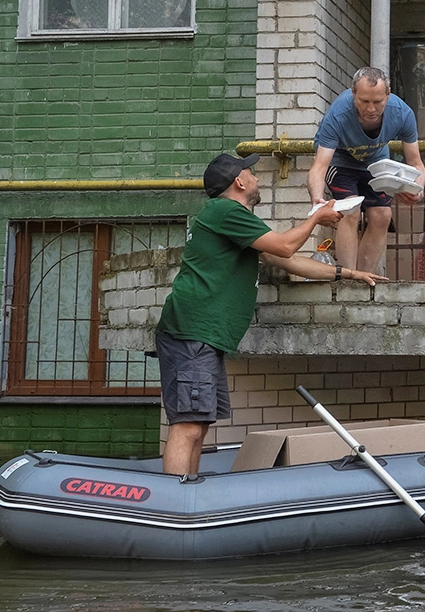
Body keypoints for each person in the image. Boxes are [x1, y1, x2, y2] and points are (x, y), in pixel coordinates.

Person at [156, 153, 388, 477]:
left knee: (199, 424)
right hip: (192, 332)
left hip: (201, 335)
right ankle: (174, 502)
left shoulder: (233, 220)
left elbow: (288, 261)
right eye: (251, 173)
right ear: (238, 182)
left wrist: (348, 273)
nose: (257, 178)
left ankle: (189, 491)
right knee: (189, 426)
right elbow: (285, 247)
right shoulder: (225, 211)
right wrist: (316, 218)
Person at [309, 67, 425, 273]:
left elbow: (416, 163)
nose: (371, 109)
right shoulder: (338, 114)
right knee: (350, 210)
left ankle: (365, 278)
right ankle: (348, 277)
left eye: (377, 102)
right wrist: (317, 200)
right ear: (353, 93)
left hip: (376, 160)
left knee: (382, 214)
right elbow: (319, 166)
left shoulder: (403, 113)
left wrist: (418, 188)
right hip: (339, 160)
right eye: (364, 101)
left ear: (387, 95)